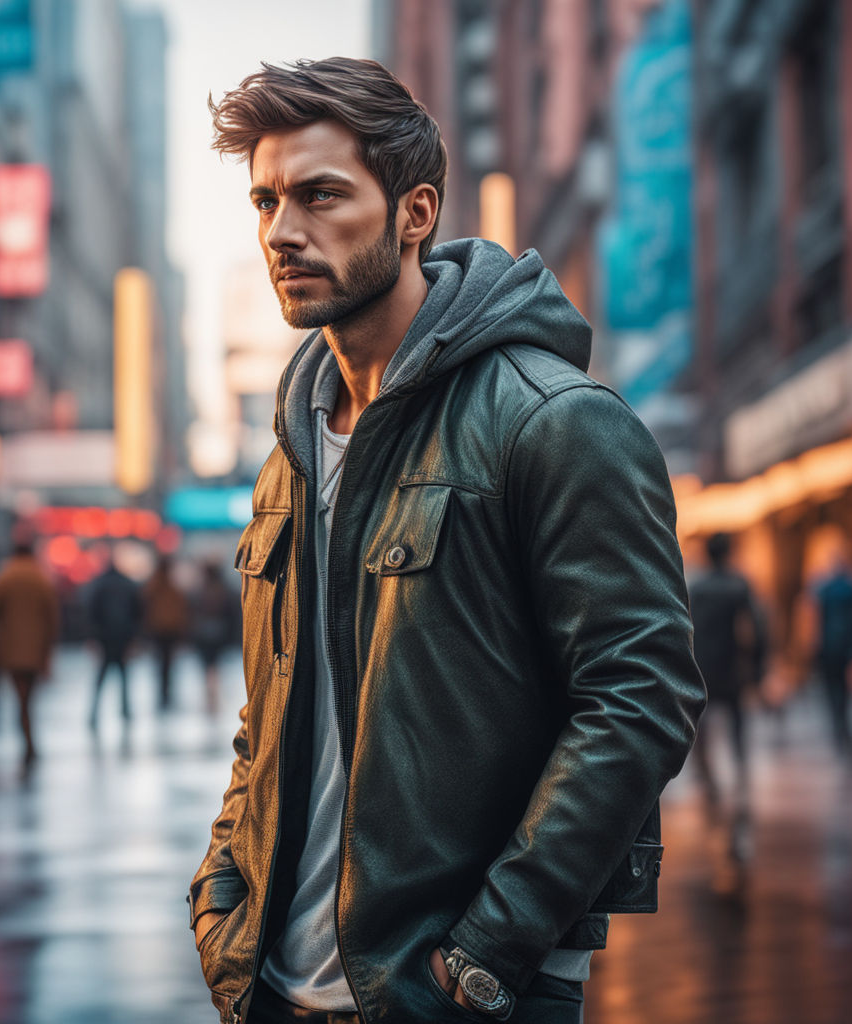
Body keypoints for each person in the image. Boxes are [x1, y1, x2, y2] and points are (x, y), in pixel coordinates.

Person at [189, 58, 705, 1024]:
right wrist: (224, 898)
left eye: (321, 196)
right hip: (274, 992)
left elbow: (642, 695)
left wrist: (488, 953)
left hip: (466, 996)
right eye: (265, 201)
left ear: (415, 212)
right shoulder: (291, 455)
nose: (282, 232)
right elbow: (273, 710)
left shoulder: (552, 423)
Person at [688, 533, 767, 861]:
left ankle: (708, 780)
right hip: (732, 667)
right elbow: (759, 628)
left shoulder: (697, 588)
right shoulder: (739, 585)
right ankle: (741, 777)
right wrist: (758, 666)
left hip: (703, 667)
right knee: (737, 725)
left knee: (700, 729)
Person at [0, 538, 59, 769]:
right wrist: (50, 649)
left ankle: (27, 736)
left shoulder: (5, 577)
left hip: (10, 648)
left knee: (21, 696)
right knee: (28, 697)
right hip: (36, 649)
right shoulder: (41, 578)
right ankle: (29, 737)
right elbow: (52, 617)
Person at [814, 550, 852, 764]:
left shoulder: (823, 588)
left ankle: (839, 727)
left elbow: (815, 617)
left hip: (828, 646)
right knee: (844, 689)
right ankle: (844, 726)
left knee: (833, 690)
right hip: (847, 646)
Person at [87, 549, 144, 729]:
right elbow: (138, 612)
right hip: (123, 637)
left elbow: (92, 612)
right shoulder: (127, 584)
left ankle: (94, 713)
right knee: (124, 677)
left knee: (100, 678)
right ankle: (125, 711)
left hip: (105, 638)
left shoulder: (99, 585)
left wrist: (93, 637)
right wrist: (134, 637)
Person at [190, 561, 239, 714]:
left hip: (203, 635)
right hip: (220, 634)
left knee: (208, 667)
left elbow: (193, 613)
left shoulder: (200, 590)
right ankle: (214, 696)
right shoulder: (225, 590)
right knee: (215, 666)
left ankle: (210, 697)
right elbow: (232, 614)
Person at [142, 555, 188, 710]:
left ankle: (163, 695)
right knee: (168, 665)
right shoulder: (172, 589)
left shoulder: (153, 587)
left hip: (158, 631)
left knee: (161, 665)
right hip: (169, 631)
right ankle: (166, 695)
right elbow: (180, 611)